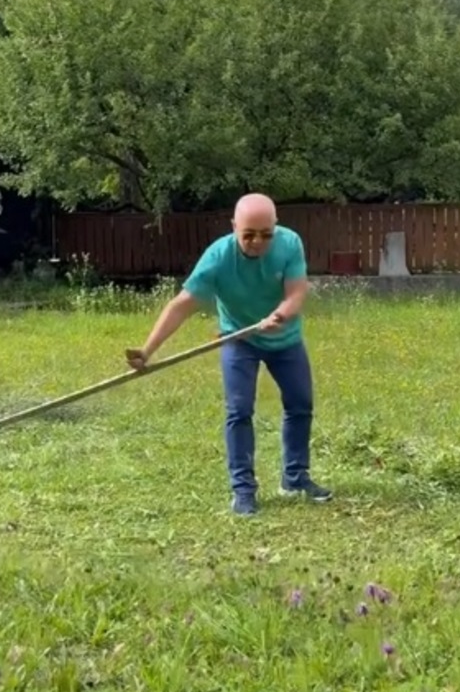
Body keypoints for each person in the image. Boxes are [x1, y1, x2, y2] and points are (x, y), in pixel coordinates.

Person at [126, 193, 331, 515]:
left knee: (300, 404)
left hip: (285, 338)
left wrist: (279, 316)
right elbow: (181, 306)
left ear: (275, 228)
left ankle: (295, 478)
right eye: (248, 234)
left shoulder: (290, 244)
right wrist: (147, 351)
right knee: (239, 411)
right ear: (234, 227)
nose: (257, 242)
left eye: (266, 234)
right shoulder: (218, 257)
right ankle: (243, 490)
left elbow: (296, 293)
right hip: (239, 339)